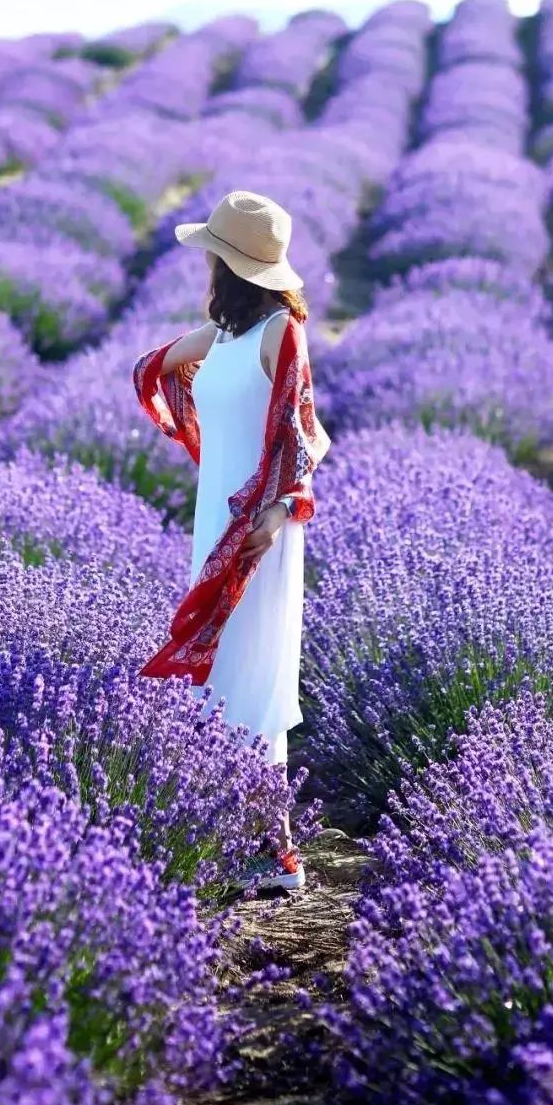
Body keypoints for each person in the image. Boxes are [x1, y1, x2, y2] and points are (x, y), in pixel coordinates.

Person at [132, 189, 330, 893]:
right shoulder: (224, 335)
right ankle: (240, 836)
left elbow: (301, 429)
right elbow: (153, 369)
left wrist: (277, 509)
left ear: (229, 265)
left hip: (255, 532)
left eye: (214, 257)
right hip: (216, 522)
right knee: (222, 682)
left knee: (249, 681)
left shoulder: (282, 330)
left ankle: (277, 854)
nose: (207, 268)